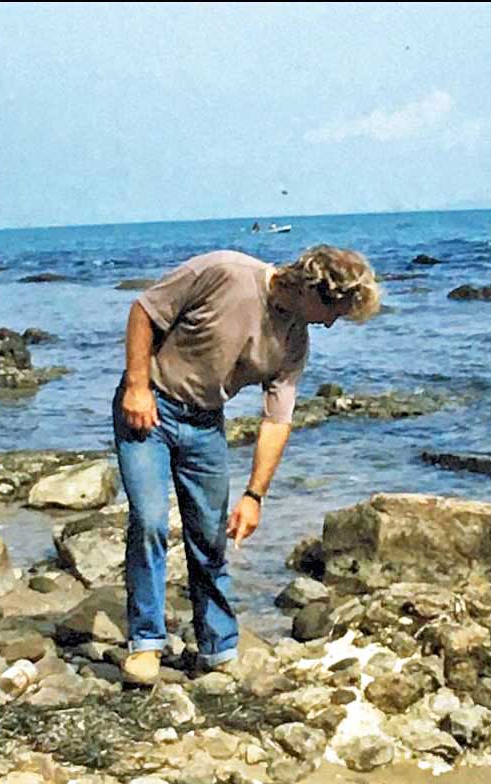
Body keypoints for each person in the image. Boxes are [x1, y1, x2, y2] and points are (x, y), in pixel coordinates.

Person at [113, 244, 380, 685]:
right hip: (150, 406)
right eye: (334, 311)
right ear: (313, 289)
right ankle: (146, 645)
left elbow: (277, 420)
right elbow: (144, 311)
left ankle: (218, 647)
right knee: (149, 521)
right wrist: (137, 386)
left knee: (210, 536)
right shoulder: (224, 271)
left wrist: (255, 495)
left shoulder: (295, 339)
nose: (332, 323)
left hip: (204, 422)